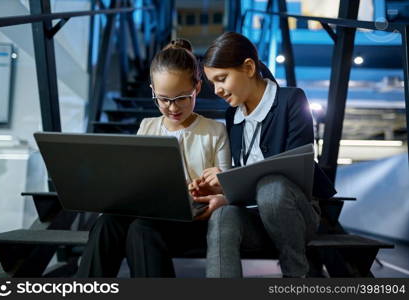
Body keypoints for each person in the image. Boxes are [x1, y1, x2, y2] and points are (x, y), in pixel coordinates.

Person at [76, 39, 231, 277]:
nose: (172, 107)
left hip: (193, 219)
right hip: (151, 213)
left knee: (141, 229)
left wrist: (215, 187)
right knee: (107, 222)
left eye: (181, 98)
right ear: (152, 92)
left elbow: (226, 189)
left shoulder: (215, 131)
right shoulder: (147, 126)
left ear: (197, 88)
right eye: (163, 99)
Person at [189, 32, 336, 278]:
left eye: (222, 79)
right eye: (213, 82)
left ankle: (296, 275)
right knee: (224, 214)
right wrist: (222, 188)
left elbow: (292, 172)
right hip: (254, 215)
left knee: (272, 188)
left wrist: (229, 175)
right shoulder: (233, 116)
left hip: (297, 214)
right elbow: (245, 178)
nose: (216, 90)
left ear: (248, 67)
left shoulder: (291, 100)